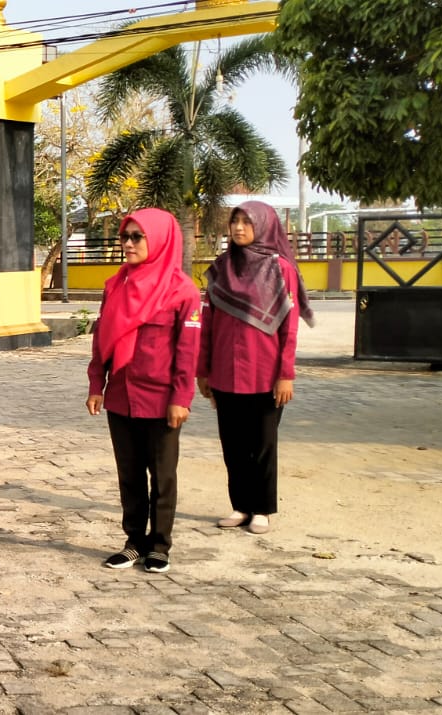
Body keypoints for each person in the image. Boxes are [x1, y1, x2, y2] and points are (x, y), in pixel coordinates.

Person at [86, 208, 201, 574]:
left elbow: (188, 350)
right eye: (125, 237)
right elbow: (102, 339)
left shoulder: (183, 290)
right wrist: (96, 384)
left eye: (137, 237)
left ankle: (160, 545)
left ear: (160, 240)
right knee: (129, 475)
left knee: (163, 475)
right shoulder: (114, 284)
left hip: (161, 399)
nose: (129, 244)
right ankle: (135, 541)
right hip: (121, 394)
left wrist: (181, 398)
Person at [199, 200, 313, 536]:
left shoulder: (281, 270)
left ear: (264, 226)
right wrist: (202, 371)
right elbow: (207, 323)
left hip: (265, 374)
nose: (237, 229)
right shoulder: (221, 268)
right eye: (234, 222)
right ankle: (240, 505)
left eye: (246, 222)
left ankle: (262, 508)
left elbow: (288, 328)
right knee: (232, 443)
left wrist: (286, 374)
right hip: (224, 372)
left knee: (262, 443)